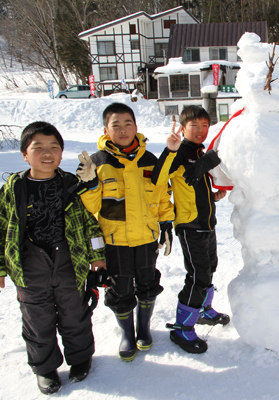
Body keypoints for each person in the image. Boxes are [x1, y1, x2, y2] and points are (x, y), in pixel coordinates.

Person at [0, 122, 106, 395]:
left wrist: (97, 255)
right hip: (29, 265)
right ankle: (45, 368)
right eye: (38, 148)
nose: (47, 153)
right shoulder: (14, 188)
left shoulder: (71, 185)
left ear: (62, 154)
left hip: (69, 262)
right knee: (37, 320)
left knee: (75, 313)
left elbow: (91, 223)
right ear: (25, 155)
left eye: (54, 147)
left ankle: (80, 357)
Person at [77, 102, 175, 362]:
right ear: (105, 130)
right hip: (114, 240)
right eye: (115, 125)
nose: (122, 130)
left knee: (147, 282)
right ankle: (127, 333)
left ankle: (143, 328)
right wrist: (88, 184)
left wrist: (166, 224)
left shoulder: (149, 160)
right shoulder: (98, 163)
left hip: (145, 237)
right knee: (119, 288)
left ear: (136, 127)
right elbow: (92, 206)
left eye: (127, 124)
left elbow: (162, 194)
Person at [152, 105, 228, 354]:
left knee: (210, 268)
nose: (200, 130)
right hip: (190, 227)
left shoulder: (199, 152)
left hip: (207, 224)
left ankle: (203, 310)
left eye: (205, 126)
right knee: (197, 276)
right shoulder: (180, 153)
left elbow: (193, 187)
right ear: (183, 128)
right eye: (194, 125)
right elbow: (159, 179)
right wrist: (170, 150)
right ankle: (182, 329)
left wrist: (213, 198)